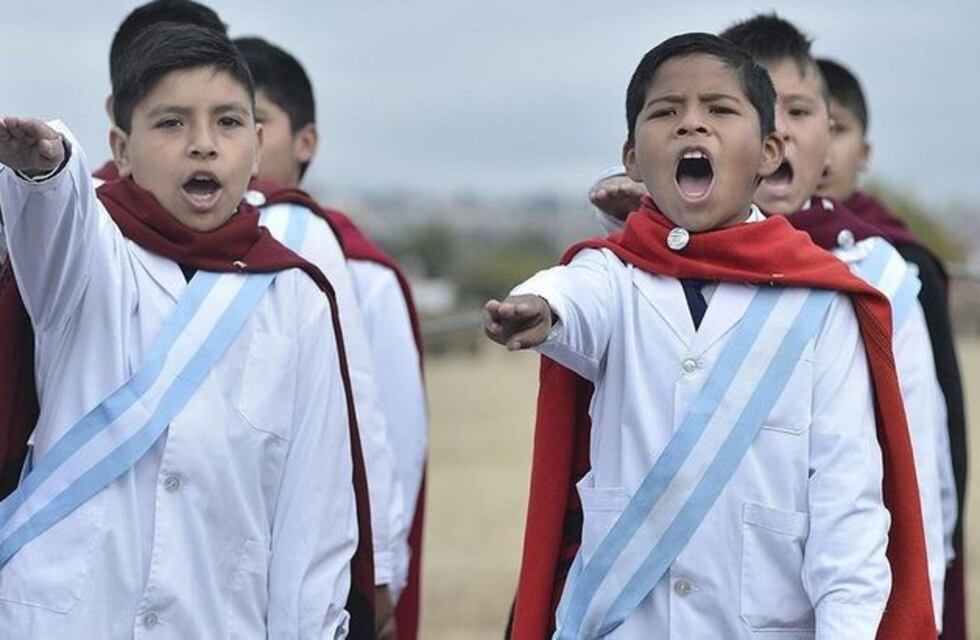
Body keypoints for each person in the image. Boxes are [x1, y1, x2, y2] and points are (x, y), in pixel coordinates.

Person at [488, 32, 932, 638]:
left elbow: (847, 515)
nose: (691, 126)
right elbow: (576, 293)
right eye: (666, 111)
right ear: (632, 158)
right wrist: (541, 307)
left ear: (769, 150)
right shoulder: (615, 275)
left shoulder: (822, 302)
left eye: (720, 110)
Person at [0, 23, 373, 638]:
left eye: (227, 123)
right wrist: (46, 169)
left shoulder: (296, 295)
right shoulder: (92, 259)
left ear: (256, 144)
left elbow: (316, 518)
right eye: (171, 123)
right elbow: (54, 217)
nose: (203, 144)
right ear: (120, 147)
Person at [234, 35, 428, 640]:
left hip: (324, 556)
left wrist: (383, 569)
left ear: (305, 142)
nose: (228, 142)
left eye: (251, 121)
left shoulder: (361, 272)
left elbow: (389, 431)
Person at [816, 56, 967, 638]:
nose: (821, 148)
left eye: (837, 128)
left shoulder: (900, 264)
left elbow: (939, 431)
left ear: (865, 149)